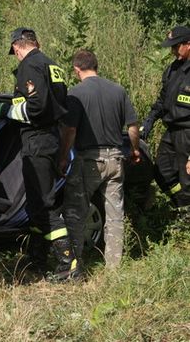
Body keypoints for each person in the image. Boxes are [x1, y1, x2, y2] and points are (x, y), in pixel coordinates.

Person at [4, 27, 78, 280]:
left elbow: (37, 107)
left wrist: (7, 112)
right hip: (51, 139)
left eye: (13, 52)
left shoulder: (29, 65)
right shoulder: (52, 65)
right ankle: (36, 258)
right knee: (37, 203)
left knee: (44, 205)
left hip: (37, 140)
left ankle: (68, 263)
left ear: (17, 47)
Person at [59, 50, 140, 270]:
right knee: (115, 215)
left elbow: (71, 129)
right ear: (96, 65)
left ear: (77, 69)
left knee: (76, 213)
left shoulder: (75, 93)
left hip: (88, 161)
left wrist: (64, 156)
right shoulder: (118, 90)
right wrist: (134, 150)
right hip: (115, 159)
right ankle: (113, 266)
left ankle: (75, 264)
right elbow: (133, 127)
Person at [141, 25, 190, 227]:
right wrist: (148, 123)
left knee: (187, 179)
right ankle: (182, 206)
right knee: (162, 170)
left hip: (188, 132)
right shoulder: (172, 69)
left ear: (188, 44)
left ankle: (186, 220)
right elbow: (162, 101)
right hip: (172, 131)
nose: (172, 51)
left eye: (176, 46)